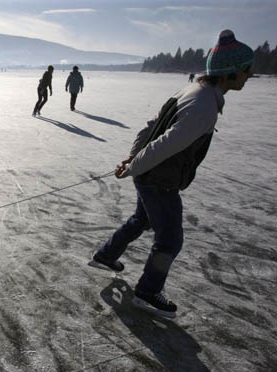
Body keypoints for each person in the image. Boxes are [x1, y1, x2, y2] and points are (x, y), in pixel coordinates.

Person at [89, 29, 254, 319]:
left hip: (150, 174)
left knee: (142, 219)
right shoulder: (204, 105)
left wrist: (132, 159)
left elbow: (150, 127)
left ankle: (106, 256)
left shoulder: (191, 91)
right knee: (170, 240)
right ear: (230, 72)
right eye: (246, 70)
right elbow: (166, 142)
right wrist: (134, 165)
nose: (249, 76)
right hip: (159, 179)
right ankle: (148, 292)